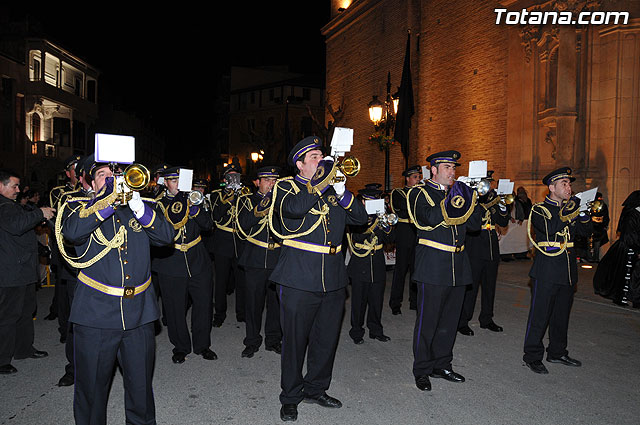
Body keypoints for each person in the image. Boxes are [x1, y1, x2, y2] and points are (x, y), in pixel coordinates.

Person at [58, 158, 175, 423]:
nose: (110, 179)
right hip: (96, 314)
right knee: (92, 392)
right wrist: (108, 202)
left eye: (115, 174)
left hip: (139, 314)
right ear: (90, 181)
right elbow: (73, 233)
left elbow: (166, 237)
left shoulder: (144, 207)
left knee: (141, 388)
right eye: (102, 175)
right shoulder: (77, 207)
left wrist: (136, 204)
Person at [268, 136, 368, 421]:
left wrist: (343, 191)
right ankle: (290, 395)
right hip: (298, 275)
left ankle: (316, 388)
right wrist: (322, 184)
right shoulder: (287, 186)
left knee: (326, 339)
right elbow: (294, 209)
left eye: (322, 155)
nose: (321, 160)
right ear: (300, 165)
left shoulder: (335, 189)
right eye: (313, 157)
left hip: (334, 276)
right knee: (295, 341)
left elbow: (360, 219)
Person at [406, 150, 482, 392]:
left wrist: (471, 199)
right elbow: (425, 218)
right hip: (433, 264)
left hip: (458, 264)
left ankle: (442, 364)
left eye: (454, 168)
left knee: (450, 320)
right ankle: (422, 369)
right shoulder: (419, 193)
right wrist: (452, 201)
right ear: (434, 170)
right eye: (447, 167)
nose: (452, 172)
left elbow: (474, 225)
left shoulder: (457, 193)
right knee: (428, 321)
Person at [523, 167, 592, 374]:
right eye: (564, 184)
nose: (568, 187)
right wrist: (571, 211)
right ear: (552, 187)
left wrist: (585, 213)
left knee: (562, 315)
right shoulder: (539, 209)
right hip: (547, 270)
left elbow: (586, 233)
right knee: (540, 315)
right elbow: (550, 228)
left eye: (569, 184)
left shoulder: (570, 209)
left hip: (567, 269)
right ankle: (532, 355)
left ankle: (557, 351)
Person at [152, 166, 217, 364]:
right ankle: (180, 347)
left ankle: (202, 345)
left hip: (198, 259)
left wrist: (196, 209)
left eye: (181, 181)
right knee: (174, 308)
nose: (178, 185)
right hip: (171, 261)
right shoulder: (158, 205)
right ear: (166, 183)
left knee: (204, 304)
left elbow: (208, 226)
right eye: (174, 181)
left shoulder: (195, 199)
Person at [0, 169, 54, 375]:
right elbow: (16, 226)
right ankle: (2, 358)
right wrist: (39, 213)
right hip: (10, 272)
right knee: (8, 316)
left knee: (25, 311)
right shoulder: (3, 206)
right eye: (13, 186)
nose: (18, 190)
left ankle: (23, 348)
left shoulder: (10, 206)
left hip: (21, 270)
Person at [54, 155, 94, 387]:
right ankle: (74, 368)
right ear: (81, 177)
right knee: (76, 321)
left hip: (107, 271)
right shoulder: (70, 200)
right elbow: (66, 232)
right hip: (77, 270)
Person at [236, 166, 283, 358]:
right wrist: (260, 209)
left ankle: (273, 340)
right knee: (253, 303)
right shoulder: (246, 201)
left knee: (276, 304)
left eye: (274, 180)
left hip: (277, 258)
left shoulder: (282, 201)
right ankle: (252, 341)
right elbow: (241, 226)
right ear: (257, 182)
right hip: (255, 258)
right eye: (267, 180)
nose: (271, 184)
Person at [458, 171, 510, 336]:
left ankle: (486, 319)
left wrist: (502, 205)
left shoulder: (493, 197)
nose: (488, 187)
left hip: (491, 243)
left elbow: (502, 221)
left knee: (490, 285)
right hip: (474, 242)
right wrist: (486, 203)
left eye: (489, 183)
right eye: (485, 183)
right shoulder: (471, 196)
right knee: (471, 286)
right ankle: (463, 321)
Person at [346, 184, 395, 345]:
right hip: (360, 262)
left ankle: (376, 330)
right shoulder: (356, 216)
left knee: (376, 300)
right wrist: (368, 220)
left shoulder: (382, 217)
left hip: (377, 263)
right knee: (359, 301)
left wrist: (385, 222)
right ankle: (356, 332)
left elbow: (390, 239)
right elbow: (357, 238)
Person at [45, 154, 82, 321]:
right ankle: (64, 326)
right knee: (64, 284)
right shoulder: (59, 192)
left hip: (84, 243)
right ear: (68, 173)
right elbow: (57, 217)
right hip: (64, 244)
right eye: (76, 169)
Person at [210, 164, 247, 327]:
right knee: (221, 281)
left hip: (239, 240)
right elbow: (215, 216)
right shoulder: (216, 195)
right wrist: (228, 201)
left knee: (241, 280)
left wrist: (239, 197)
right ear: (225, 179)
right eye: (230, 176)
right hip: (223, 241)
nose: (233, 179)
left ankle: (241, 312)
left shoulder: (245, 193)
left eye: (236, 176)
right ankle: (219, 313)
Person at [594, 190, 640, 307]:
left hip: (630, 247)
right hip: (628, 248)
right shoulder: (632, 214)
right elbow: (630, 235)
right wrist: (637, 248)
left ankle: (635, 298)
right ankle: (622, 297)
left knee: (634, 275)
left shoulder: (634, 213)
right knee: (626, 274)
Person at [388, 165, 422, 315]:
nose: (418, 180)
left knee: (416, 269)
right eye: (415, 177)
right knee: (401, 269)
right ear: (407, 178)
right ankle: (395, 302)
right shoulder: (398, 193)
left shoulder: (420, 193)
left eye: (419, 177)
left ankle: (414, 301)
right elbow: (405, 207)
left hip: (417, 232)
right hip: (404, 231)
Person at [586, 192, 609, 263]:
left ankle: (595, 258)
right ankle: (589, 257)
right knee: (589, 243)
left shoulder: (603, 205)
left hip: (599, 227)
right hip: (591, 226)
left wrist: (604, 225)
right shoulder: (591, 205)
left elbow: (605, 216)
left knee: (597, 244)